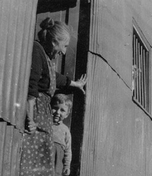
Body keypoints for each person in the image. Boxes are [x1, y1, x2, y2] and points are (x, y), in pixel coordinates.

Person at [19, 17, 87, 176]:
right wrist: (30, 118)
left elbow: (55, 77)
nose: (64, 52)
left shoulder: (46, 58)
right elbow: (31, 87)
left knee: (42, 164)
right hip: (36, 115)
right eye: (64, 46)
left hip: (43, 117)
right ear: (55, 42)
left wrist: (74, 84)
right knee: (32, 162)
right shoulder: (37, 50)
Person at [51, 94, 72, 176]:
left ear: (67, 115)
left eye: (62, 110)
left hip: (57, 161)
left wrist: (67, 166)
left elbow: (68, 150)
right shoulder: (45, 124)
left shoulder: (65, 130)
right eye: (55, 108)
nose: (57, 112)